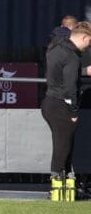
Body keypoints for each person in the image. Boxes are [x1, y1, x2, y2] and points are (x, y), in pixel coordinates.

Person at [41, 22, 91, 185]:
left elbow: (62, 73)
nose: (88, 47)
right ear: (84, 37)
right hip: (61, 105)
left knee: (63, 144)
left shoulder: (56, 47)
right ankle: (57, 186)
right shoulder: (72, 56)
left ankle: (64, 183)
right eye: (89, 42)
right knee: (63, 147)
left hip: (49, 101)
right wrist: (74, 111)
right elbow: (70, 86)